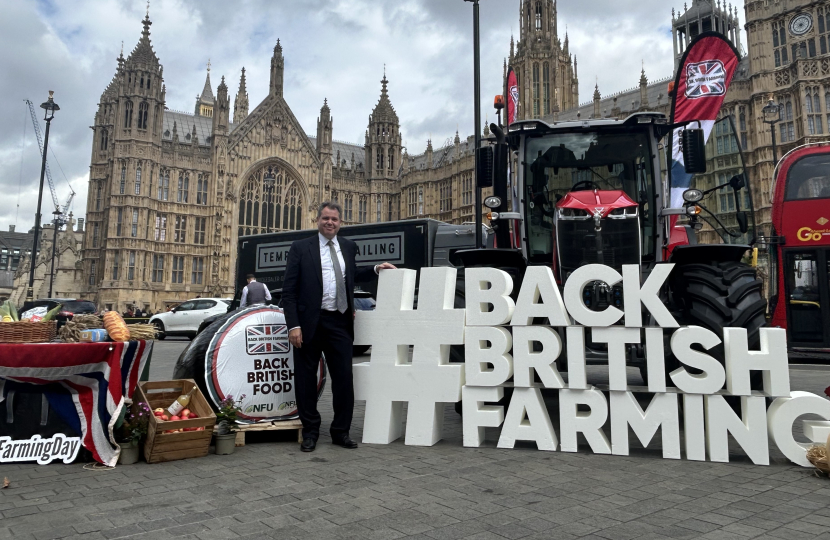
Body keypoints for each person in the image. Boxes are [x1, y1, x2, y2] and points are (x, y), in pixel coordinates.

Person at [282, 202, 396, 452]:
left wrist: (377, 269)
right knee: (305, 380)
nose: (330, 222)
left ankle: (340, 432)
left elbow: (351, 274)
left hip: (339, 321)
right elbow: (289, 291)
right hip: (309, 323)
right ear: (318, 220)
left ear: (340, 222)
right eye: (325, 218)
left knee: (344, 380)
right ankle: (310, 431)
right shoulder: (301, 248)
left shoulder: (347, 246)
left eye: (334, 219)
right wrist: (293, 326)